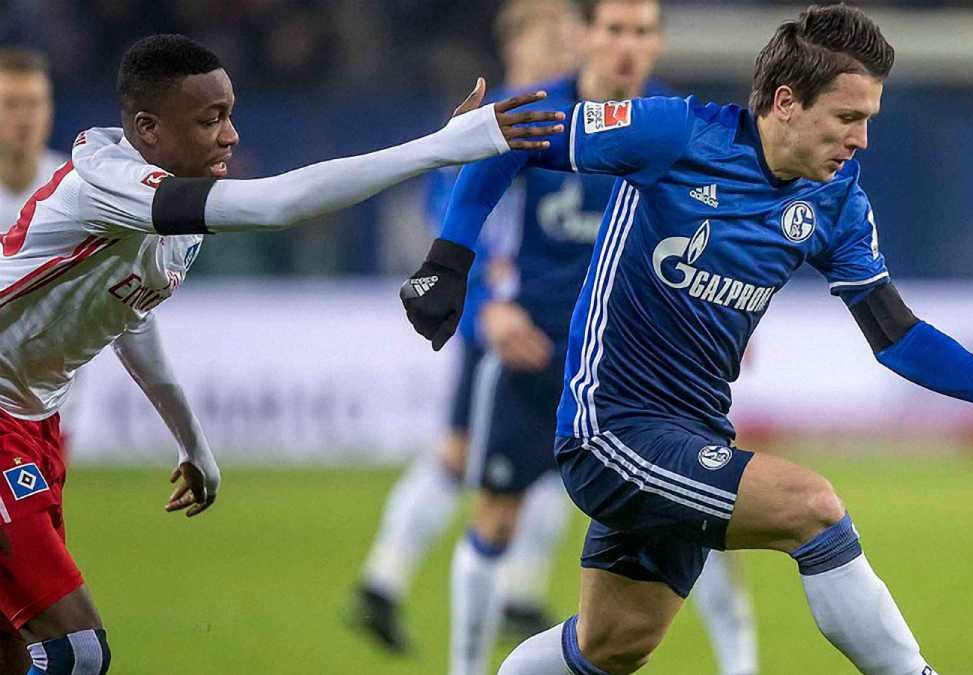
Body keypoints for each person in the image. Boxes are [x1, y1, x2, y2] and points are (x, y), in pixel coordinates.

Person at [400, 5, 973, 675]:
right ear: (786, 102)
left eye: (868, 120)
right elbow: (508, 137)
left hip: (693, 431)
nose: (861, 140)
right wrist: (449, 258)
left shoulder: (836, 201)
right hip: (611, 430)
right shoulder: (675, 134)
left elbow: (895, 336)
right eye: (847, 118)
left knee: (612, 644)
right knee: (810, 508)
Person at [0, 33, 562, 675]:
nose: (231, 136)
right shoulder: (108, 184)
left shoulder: (169, 209)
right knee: (76, 652)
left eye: (230, 114)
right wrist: (441, 147)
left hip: (33, 421)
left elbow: (127, 316)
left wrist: (192, 440)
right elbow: (279, 203)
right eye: (210, 120)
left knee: (15, 650)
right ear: (148, 128)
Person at [432, 1, 759, 673]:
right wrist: (489, 306)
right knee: (495, 517)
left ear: (659, 41)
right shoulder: (539, 113)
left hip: (645, 370)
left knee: (700, 517)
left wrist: (728, 314)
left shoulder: (679, 123)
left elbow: (721, 228)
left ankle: (741, 666)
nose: (627, 45)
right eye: (614, 29)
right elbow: (474, 201)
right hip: (538, 352)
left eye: (642, 31)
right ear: (583, 36)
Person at [353, 0, 583, 653]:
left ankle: (510, 593)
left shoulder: (571, 119)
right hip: (501, 323)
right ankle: (390, 582)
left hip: (538, 318)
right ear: (519, 46)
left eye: (570, 37)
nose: (568, 49)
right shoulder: (501, 120)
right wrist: (483, 301)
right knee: (470, 457)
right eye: (555, 37)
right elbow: (448, 213)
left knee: (531, 458)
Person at [0, 49, 66, 226]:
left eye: (34, 104)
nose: (24, 118)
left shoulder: (74, 188)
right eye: (11, 104)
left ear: (50, 110)